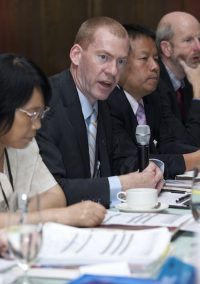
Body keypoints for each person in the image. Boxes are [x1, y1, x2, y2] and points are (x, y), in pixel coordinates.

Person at [36, 16, 164, 208]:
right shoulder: (45, 104)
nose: (113, 71)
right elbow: (53, 191)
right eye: (103, 57)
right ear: (76, 55)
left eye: (121, 61)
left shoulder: (106, 100)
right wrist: (125, 184)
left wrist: (151, 171)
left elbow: (120, 159)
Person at [0, 53, 106, 229]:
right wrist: (56, 216)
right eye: (32, 114)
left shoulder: (24, 146)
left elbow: (56, 196)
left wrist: (11, 218)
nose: (37, 124)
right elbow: (56, 208)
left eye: (40, 113)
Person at [107, 24, 200, 179]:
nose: (155, 66)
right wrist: (192, 160)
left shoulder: (153, 97)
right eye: (144, 59)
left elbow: (168, 143)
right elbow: (128, 164)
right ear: (120, 63)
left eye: (156, 59)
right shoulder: (109, 103)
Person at [156, 11, 200, 147]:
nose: (198, 47)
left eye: (199, 39)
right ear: (167, 48)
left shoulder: (189, 78)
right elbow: (188, 145)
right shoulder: (154, 85)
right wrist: (198, 93)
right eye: (188, 40)